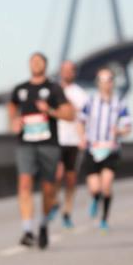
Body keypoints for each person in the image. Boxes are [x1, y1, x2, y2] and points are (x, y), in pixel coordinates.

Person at [8, 53, 74, 249]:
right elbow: (12, 106)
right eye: (33, 61)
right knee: (25, 183)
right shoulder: (20, 89)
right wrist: (14, 120)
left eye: (39, 61)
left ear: (45, 65)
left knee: (48, 188)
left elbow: (70, 114)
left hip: (49, 144)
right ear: (29, 65)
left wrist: (50, 111)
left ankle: (43, 224)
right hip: (26, 143)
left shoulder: (54, 89)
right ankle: (28, 230)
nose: (36, 64)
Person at [78, 68, 132, 231]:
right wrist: (82, 137)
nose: (106, 84)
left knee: (106, 185)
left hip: (111, 149)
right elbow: (81, 121)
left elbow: (128, 127)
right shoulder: (90, 102)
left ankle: (104, 218)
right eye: (102, 80)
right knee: (94, 187)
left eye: (109, 80)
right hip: (93, 148)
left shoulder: (120, 104)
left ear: (113, 83)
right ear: (98, 83)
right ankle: (95, 198)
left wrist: (120, 131)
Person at [53, 60, 90, 228]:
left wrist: (84, 137)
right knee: (57, 174)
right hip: (55, 139)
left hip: (74, 141)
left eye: (70, 70)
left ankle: (67, 211)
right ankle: (54, 202)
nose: (67, 73)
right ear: (60, 72)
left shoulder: (81, 94)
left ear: (74, 73)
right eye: (64, 70)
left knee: (70, 179)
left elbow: (85, 118)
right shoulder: (53, 91)